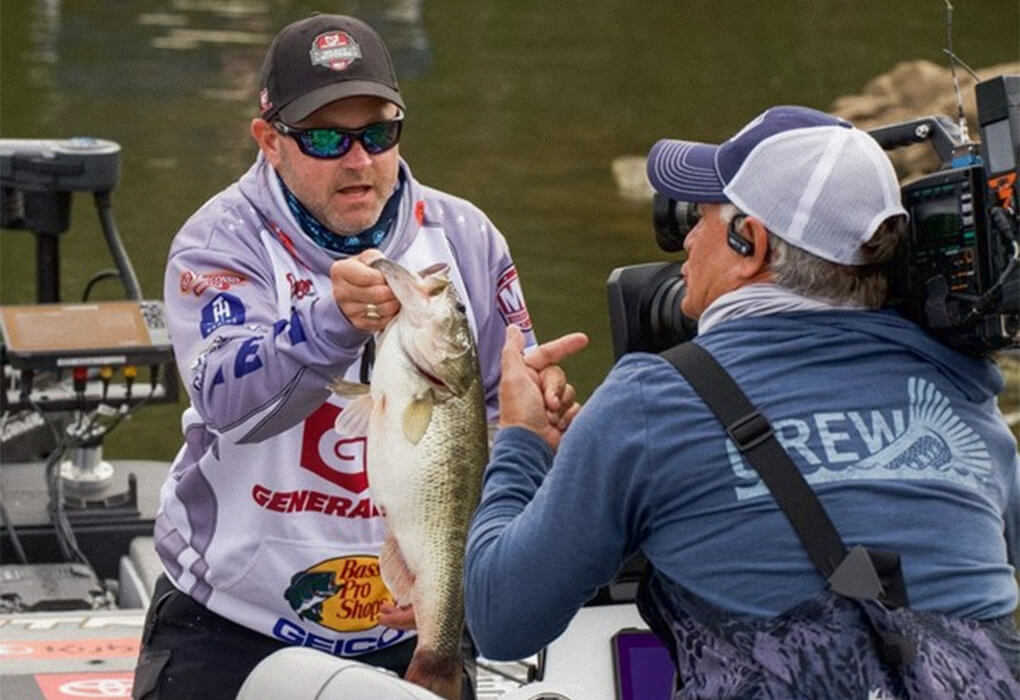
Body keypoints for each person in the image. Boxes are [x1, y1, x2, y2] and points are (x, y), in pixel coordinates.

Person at [464, 106, 1020, 694]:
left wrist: (522, 440)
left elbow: (500, 619)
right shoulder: (966, 389)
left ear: (748, 243)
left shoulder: (653, 401)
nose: (689, 238)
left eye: (700, 216)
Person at [131, 13, 543, 700]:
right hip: (234, 621)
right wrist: (329, 322)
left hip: (412, 623)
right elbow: (228, 406)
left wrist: (541, 424)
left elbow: (499, 431)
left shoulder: (466, 238)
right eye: (326, 138)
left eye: (379, 134)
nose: (359, 160)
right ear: (269, 140)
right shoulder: (219, 241)